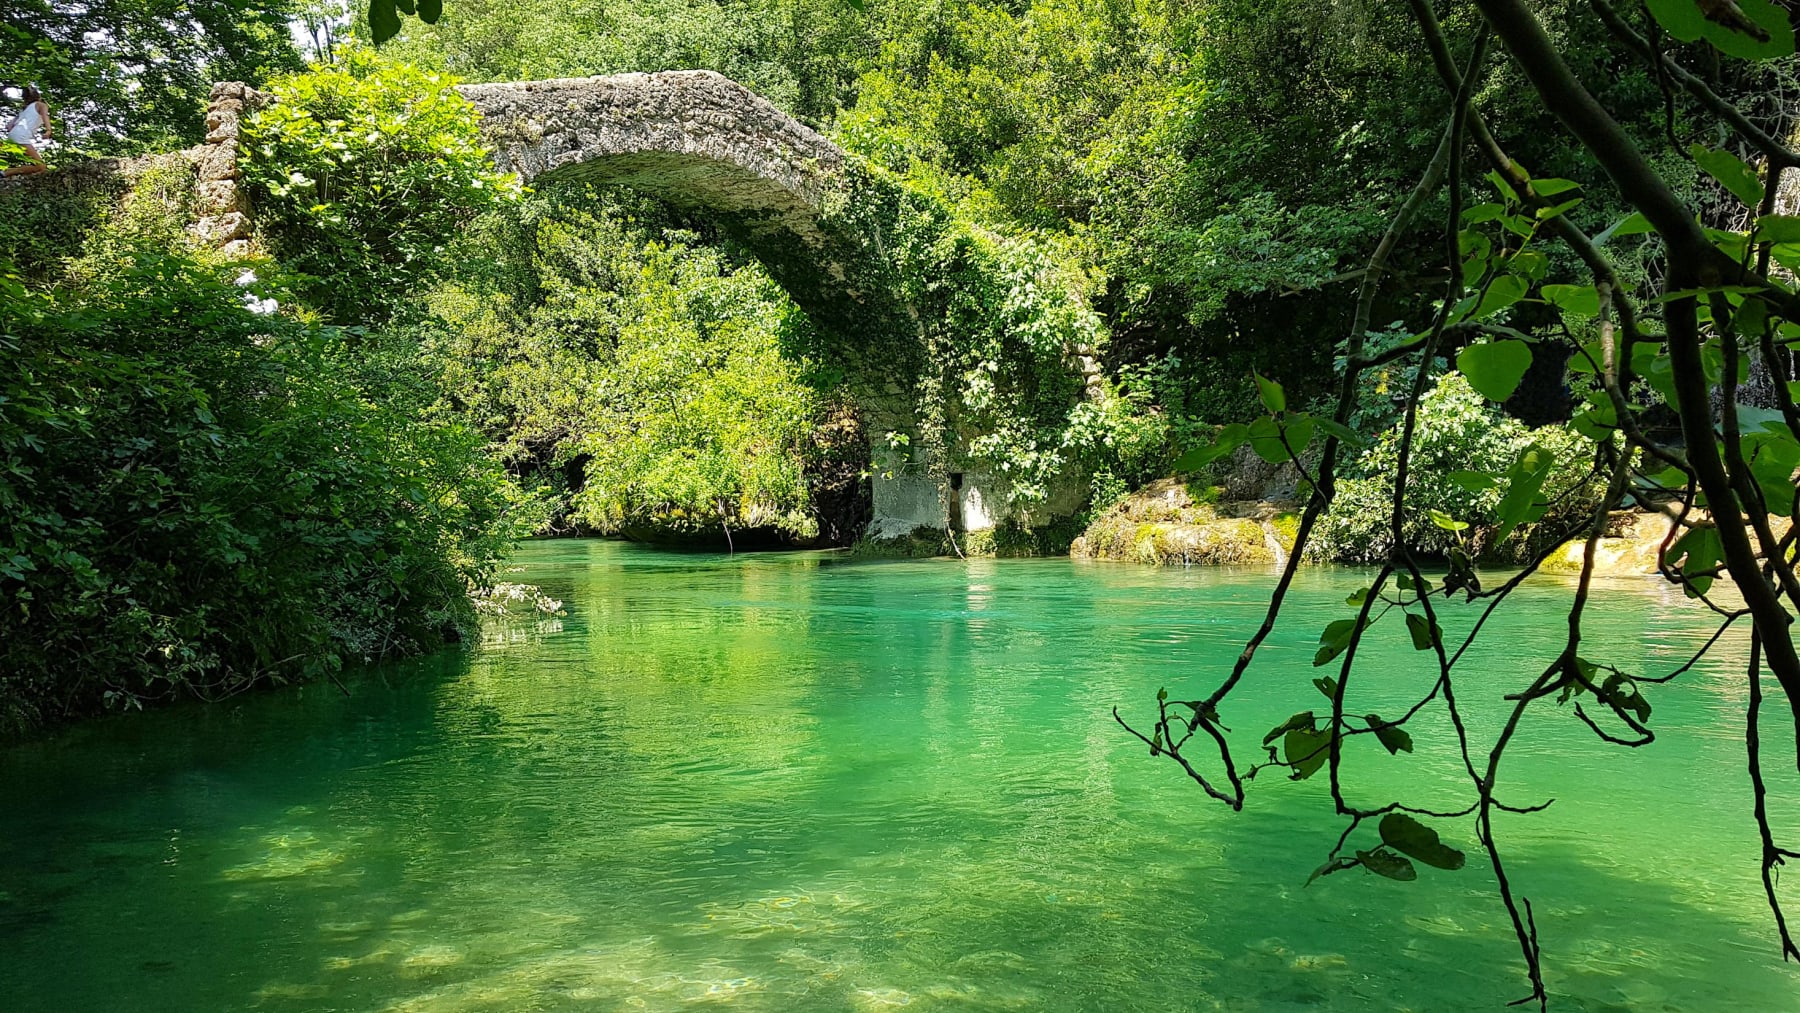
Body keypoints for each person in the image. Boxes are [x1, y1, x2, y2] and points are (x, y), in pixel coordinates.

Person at [3, 86, 51, 177]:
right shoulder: (41, 105)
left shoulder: (24, 110)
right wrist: (48, 130)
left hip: (13, 135)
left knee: (39, 166)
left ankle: (7, 172)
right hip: (21, 136)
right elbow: (45, 115)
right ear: (39, 96)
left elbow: (9, 126)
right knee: (41, 167)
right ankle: (6, 172)